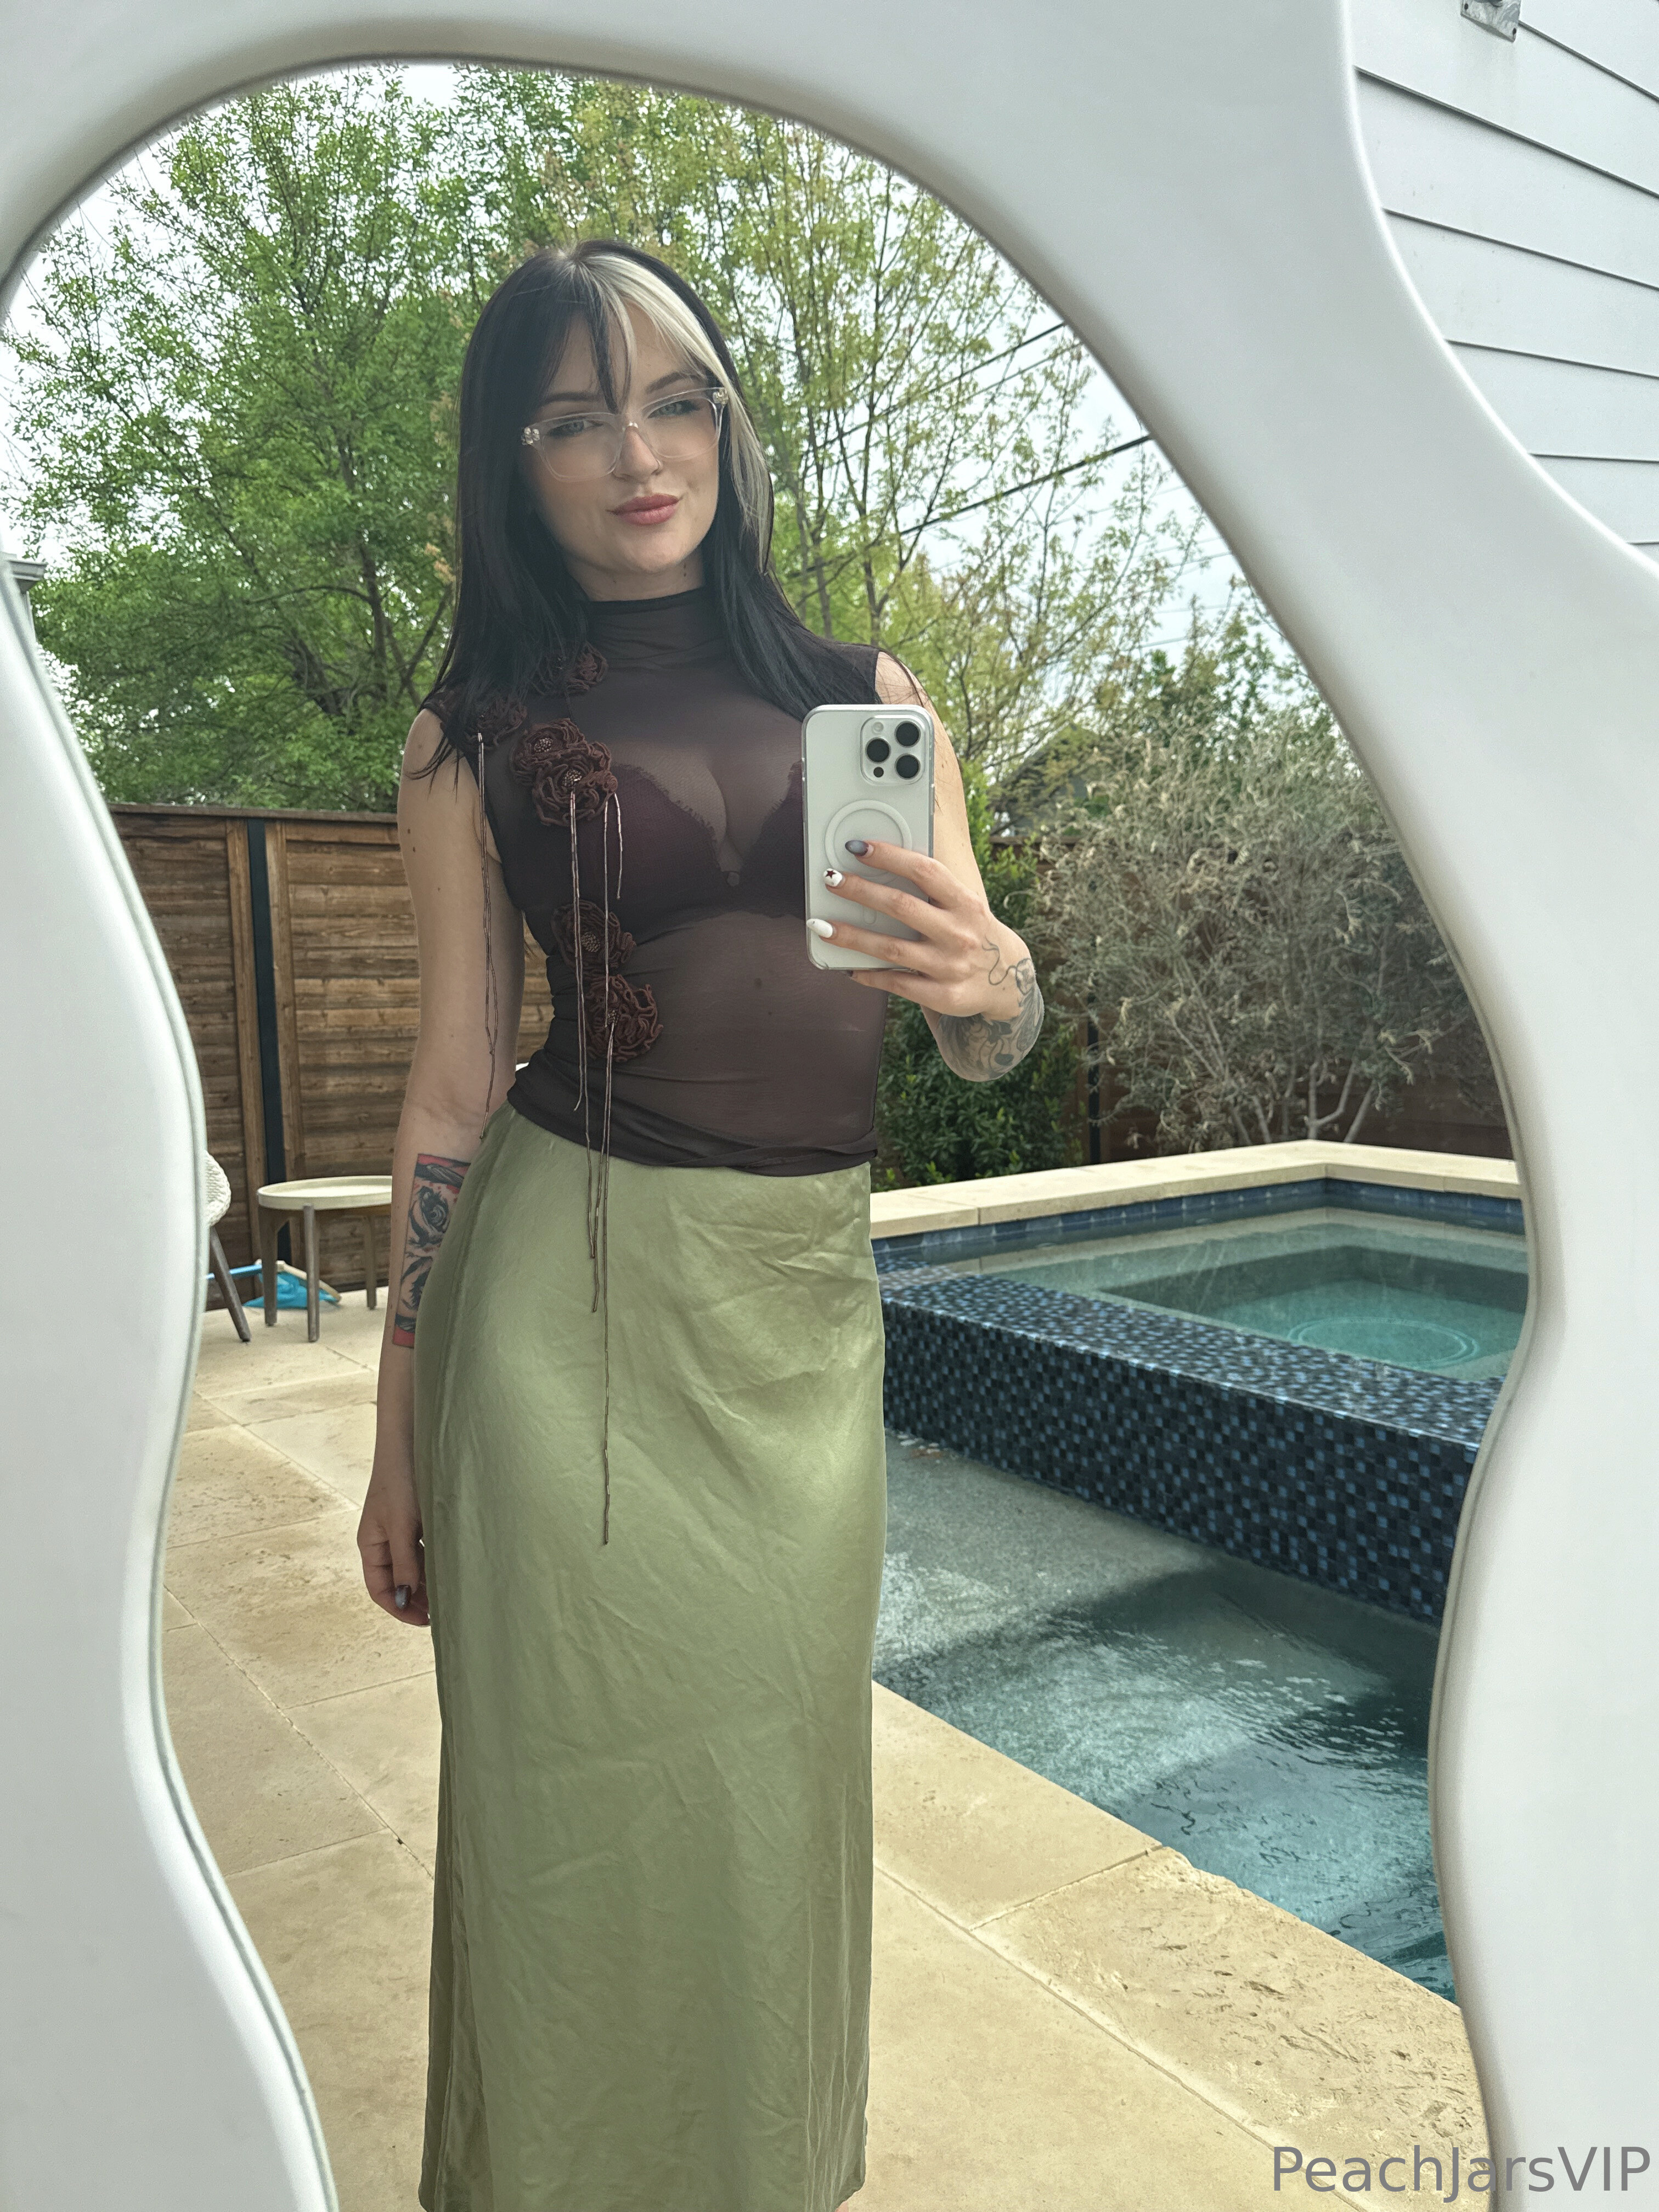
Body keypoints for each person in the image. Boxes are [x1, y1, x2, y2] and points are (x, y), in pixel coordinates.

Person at [356, 237, 1045, 2212]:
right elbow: (451, 1082)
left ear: (733, 427)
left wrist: (993, 976)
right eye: (577, 420)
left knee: (769, 1790)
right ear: (515, 458)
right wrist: (399, 1424)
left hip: (795, 1317)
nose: (639, 456)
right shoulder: (468, 732)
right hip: (564, 1309)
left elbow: (985, 1039)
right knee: (560, 1800)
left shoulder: (869, 698)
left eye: (678, 402)